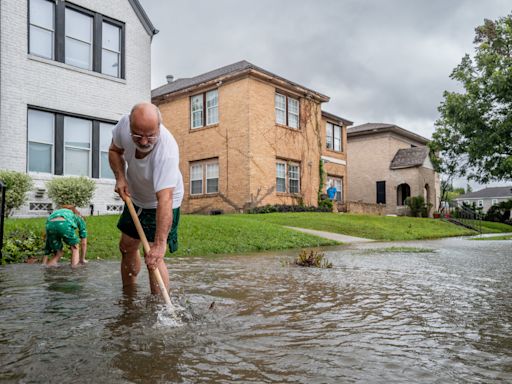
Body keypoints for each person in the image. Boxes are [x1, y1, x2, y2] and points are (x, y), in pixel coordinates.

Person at [109, 102, 184, 295]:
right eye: (138, 135)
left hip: (164, 200)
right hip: (136, 195)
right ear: (130, 126)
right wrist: (120, 177)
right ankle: (129, 296)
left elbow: (164, 200)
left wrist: (160, 245)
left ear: (159, 127)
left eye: (150, 136)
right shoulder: (123, 125)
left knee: (152, 255)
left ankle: (158, 309)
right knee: (126, 246)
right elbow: (114, 151)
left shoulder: (167, 152)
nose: (143, 141)